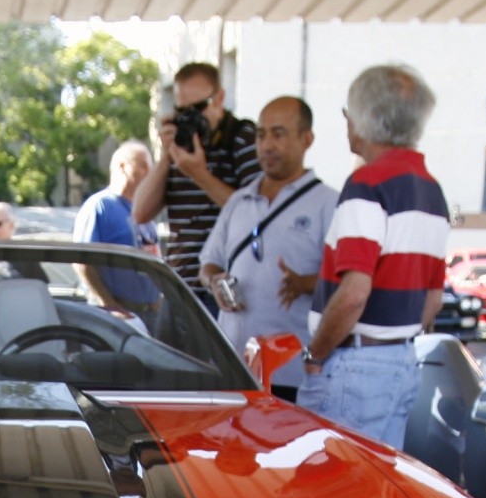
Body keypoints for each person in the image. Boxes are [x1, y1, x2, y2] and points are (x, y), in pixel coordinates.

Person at [298, 65, 448, 450]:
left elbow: (353, 293)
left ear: (364, 119)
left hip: (353, 365)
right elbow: (432, 299)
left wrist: (316, 355)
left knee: (332, 489)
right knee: (376, 493)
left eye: (347, 112)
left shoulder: (367, 184)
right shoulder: (432, 190)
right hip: (401, 361)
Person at [198, 97, 337, 399]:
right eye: (260, 135)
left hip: (293, 373)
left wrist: (306, 284)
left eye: (279, 134)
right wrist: (215, 281)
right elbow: (209, 262)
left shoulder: (328, 202)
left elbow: (346, 280)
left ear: (307, 139)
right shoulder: (239, 201)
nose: (267, 145)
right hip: (233, 369)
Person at [133, 62, 259, 301]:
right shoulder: (181, 146)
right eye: (182, 111)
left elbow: (255, 213)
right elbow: (140, 214)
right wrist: (165, 156)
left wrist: (199, 175)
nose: (190, 118)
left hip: (225, 289)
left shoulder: (241, 138)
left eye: (197, 108)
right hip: (179, 287)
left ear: (219, 98)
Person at [74, 141, 163, 330]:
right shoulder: (100, 206)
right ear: (123, 167)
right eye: (143, 165)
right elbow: (82, 262)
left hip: (150, 314)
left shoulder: (143, 212)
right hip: (117, 317)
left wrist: (158, 300)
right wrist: (109, 304)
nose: (150, 172)